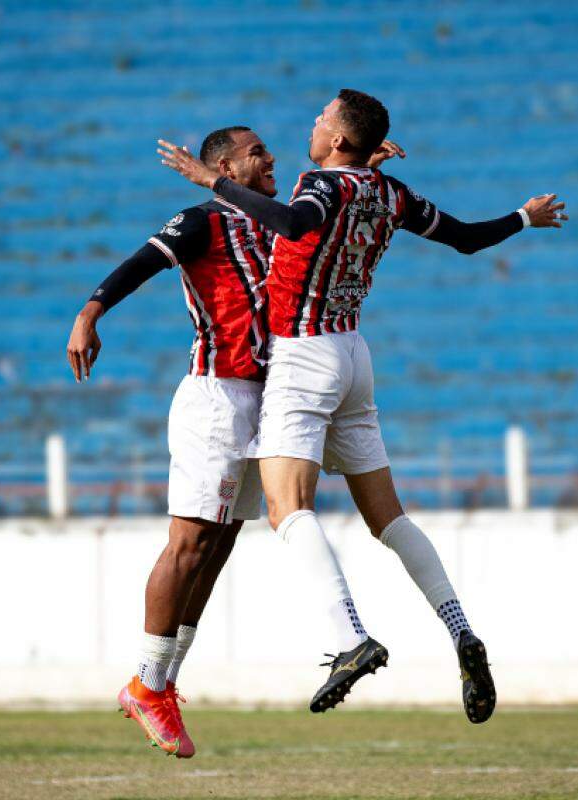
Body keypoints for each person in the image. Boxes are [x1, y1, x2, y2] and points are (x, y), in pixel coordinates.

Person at [156, 88, 567, 722]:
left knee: (284, 507)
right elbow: (463, 238)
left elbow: (295, 222)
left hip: (305, 356)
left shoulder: (323, 188)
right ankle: (461, 630)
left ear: (340, 140)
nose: (312, 122)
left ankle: (348, 637)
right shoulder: (390, 192)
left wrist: (211, 179)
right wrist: (521, 216)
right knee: (389, 518)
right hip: (355, 355)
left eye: (322, 118)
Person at [67, 126, 404, 757]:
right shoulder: (200, 221)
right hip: (217, 396)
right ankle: (147, 682)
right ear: (222, 166)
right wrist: (90, 311)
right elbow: (140, 263)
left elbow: (330, 217)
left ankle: (159, 684)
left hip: (269, 397)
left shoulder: (275, 221)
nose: (271, 158)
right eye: (256, 153)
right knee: (190, 541)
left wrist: (362, 166)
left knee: (220, 543)